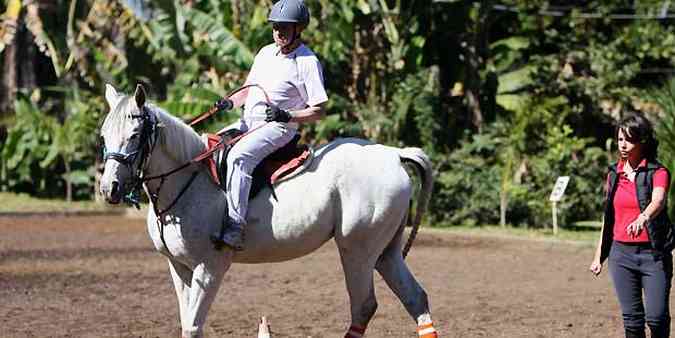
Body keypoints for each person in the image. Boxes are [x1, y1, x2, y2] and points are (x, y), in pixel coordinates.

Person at [211, 0, 328, 251]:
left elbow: (319, 111)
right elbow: (247, 90)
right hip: (247, 122)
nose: (279, 32)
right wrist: (229, 103)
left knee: (238, 158)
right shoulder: (265, 52)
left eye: (285, 27)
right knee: (209, 148)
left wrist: (287, 115)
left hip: (279, 128)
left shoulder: (307, 61)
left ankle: (235, 226)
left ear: (299, 29)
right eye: (276, 27)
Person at [589, 113, 674, 338]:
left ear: (642, 141)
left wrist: (643, 218)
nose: (623, 145)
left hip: (653, 255)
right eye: (619, 139)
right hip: (621, 256)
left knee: (656, 319)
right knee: (633, 322)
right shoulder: (613, 174)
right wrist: (599, 255)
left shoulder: (657, 172)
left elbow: (658, 200)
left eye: (629, 139)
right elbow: (609, 217)